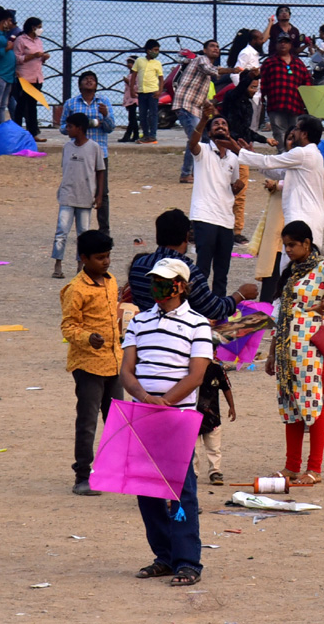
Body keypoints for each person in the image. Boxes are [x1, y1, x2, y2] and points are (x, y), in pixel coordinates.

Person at [120, 258, 212, 587]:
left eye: (166, 281)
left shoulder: (198, 324)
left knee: (181, 491)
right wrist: (145, 398)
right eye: (155, 280)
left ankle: (188, 561)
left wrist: (165, 402)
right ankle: (164, 556)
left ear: (182, 286)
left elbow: (197, 374)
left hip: (177, 418)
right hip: (142, 416)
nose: (158, 286)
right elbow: (127, 370)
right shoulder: (138, 322)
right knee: (146, 489)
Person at [264, 219, 324, 484]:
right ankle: (292, 466)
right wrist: (272, 352)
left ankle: (314, 470)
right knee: (292, 406)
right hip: (288, 346)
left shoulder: (322, 267)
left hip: (309, 346)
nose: (288, 250)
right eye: (285, 245)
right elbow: (282, 314)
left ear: (307, 244)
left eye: (292, 245)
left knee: (312, 405)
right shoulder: (294, 271)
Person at [236, 115, 324, 301]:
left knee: (293, 265)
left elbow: (268, 162)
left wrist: (237, 150)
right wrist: (250, 153)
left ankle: (291, 309)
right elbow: (274, 170)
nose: (292, 132)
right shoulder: (306, 155)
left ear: (305, 133)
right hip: (307, 216)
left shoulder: (304, 154)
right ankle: (288, 307)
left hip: (304, 217)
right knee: (296, 267)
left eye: (297, 129)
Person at [60, 229, 122, 496]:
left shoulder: (111, 282)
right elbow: (68, 327)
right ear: (84, 258)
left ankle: (111, 472)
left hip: (114, 361)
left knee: (116, 422)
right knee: (87, 422)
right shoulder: (75, 289)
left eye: (107, 256)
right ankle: (82, 476)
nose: (105, 262)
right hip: (88, 364)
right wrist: (88, 338)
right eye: (99, 258)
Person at [128, 209, 259, 319]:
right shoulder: (187, 272)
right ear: (186, 236)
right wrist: (241, 294)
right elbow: (214, 310)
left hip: (144, 330)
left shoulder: (139, 265)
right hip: (178, 335)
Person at [187, 99, 244, 296]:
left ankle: (218, 308)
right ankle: (199, 306)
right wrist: (203, 119)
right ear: (210, 132)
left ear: (228, 131)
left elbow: (231, 187)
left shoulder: (233, 158)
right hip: (204, 216)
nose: (220, 126)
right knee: (202, 268)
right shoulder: (203, 150)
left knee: (222, 271)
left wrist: (237, 188)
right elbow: (191, 143)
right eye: (216, 124)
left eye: (224, 124)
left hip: (226, 219)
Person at [173, 40, 240, 184]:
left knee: (203, 138)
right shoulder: (201, 60)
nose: (216, 49)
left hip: (193, 107)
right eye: (212, 46)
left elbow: (201, 96)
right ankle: (186, 173)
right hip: (186, 105)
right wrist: (232, 70)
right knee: (195, 138)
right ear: (204, 50)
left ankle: (197, 170)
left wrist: (212, 108)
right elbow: (212, 70)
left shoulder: (205, 73)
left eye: (217, 47)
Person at [222, 72, 277, 243]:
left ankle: (236, 230)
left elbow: (246, 130)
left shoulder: (248, 104)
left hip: (241, 151)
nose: (255, 91)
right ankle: (224, 228)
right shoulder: (232, 97)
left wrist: (263, 139)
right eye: (252, 87)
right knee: (223, 189)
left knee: (240, 191)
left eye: (256, 87)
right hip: (228, 149)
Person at [59, 71, 115, 233]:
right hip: (77, 152)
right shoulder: (71, 103)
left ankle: (104, 230)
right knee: (76, 188)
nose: (89, 81)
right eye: (86, 79)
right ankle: (80, 229)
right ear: (80, 84)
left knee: (102, 192)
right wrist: (76, 127)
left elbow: (110, 128)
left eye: (92, 80)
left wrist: (105, 116)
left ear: (96, 85)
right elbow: (63, 127)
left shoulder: (103, 102)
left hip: (100, 152)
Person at [51, 113, 105, 279]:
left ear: (79, 128)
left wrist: (99, 195)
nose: (67, 129)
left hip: (85, 195)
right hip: (67, 195)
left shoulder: (94, 148)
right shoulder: (67, 147)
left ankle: (80, 266)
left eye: (70, 126)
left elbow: (100, 171)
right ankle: (58, 264)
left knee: (83, 234)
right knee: (61, 231)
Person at [259, 33, 311, 147]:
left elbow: (307, 82)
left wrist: (307, 100)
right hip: (276, 105)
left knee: (296, 132)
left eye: (286, 42)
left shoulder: (298, 63)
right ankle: (282, 155)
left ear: (290, 45)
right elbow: (262, 83)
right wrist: (261, 99)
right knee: (279, 133)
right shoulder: (269, 62)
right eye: (280, 42)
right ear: (276, 44)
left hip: (295, 105)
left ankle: (294, 154)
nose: (283, 44)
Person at [194, 360, 235, 486]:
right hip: (193, 415)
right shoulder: (190, 368)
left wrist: (232, 407)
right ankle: (192, 473)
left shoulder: (217, 369)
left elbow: (226, 388)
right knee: (193, 448)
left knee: (214, 447)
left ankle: (215, 471)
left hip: (212, 416)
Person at [10, 16, 49, 141]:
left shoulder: (38, 41)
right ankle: (17, 132)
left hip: (37, 77)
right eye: (39, 27)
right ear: (33, 27)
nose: (40, 30)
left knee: (32, 106)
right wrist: (32, 56)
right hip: (24, 77)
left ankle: (33, 133)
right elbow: (17, 58)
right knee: (21, 106)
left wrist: (43, 58)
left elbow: (39, 59)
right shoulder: (21, 40)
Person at [133, 40, 165, 144]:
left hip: (153, 92)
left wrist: (160, 91)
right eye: (155, 50)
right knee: (142, 115)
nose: (156, 52)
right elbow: (134, 76)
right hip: (142, 92)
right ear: (148, 50)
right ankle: (145, 135)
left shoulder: (157, 63)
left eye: (158, 50)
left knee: (153, 114)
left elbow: (161, 79)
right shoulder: (139, 61)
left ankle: (153, 135)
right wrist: (131, 90)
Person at [119, 56, 140, 143]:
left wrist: (128, 82)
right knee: (132, 117)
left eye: (130, 63)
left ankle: (127, 135)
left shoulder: (137, 75)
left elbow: (137, 87)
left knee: (132, 118)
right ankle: (136, 135)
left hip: (133, 98)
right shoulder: (131, 74)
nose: (128, 65)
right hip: (129, 98)